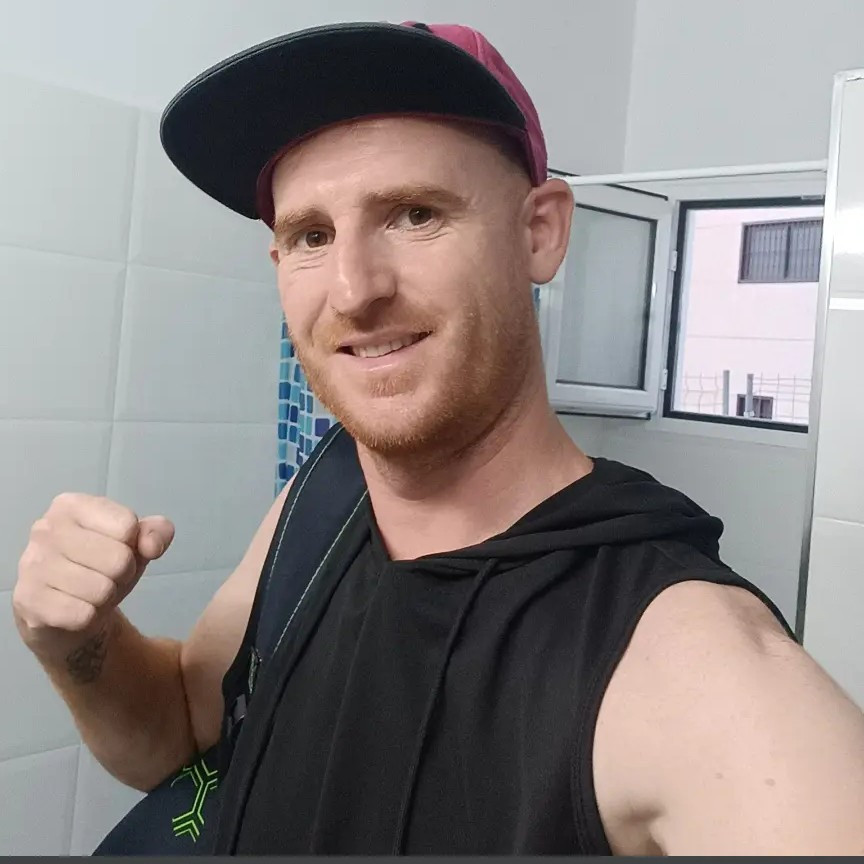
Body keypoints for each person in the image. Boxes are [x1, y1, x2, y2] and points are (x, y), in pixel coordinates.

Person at [11, 20, 864, 856]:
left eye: (415, 214)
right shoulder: (323, 495)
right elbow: (179, 732)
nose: (353, 290)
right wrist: (79, 640)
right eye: (312, 236)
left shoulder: (689, 665)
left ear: (539, 233)